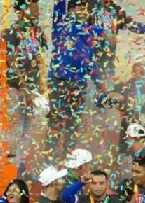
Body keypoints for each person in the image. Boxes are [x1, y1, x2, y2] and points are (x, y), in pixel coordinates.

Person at [0, 0, 49, 165]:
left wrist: (41, 85)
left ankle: (22, 161)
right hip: (15, 85)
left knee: (28, 124)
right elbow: (11, 61)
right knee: (17, 123)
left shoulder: (37, 32)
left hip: (32, 86)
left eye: (37, 10)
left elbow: (40, 58)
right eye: (33, 10)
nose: (37, 13)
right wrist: (25, 87)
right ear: (22, 11)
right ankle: (11, 161)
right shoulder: (11, 32)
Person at [47, 0, 103, 142]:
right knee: (56, 123)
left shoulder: (89, 32)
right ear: (70, 10)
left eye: (85, 7)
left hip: (78, 85)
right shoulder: (60, 25)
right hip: (59, 81)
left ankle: (69, 154)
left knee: (73, 125)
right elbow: (59, 5)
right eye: (79, 6)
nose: (83, 10)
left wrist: (99, 83)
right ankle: (50, 153)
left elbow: (90, 61)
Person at [89, 0, 145, 90]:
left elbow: (128, 24)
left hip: (108, 60)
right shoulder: (88, 7)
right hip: (89, 60)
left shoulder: (115, 10)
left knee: (107, 89)